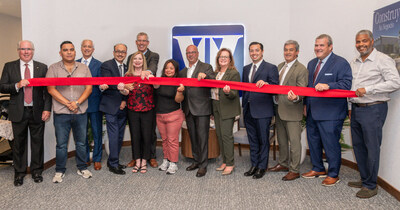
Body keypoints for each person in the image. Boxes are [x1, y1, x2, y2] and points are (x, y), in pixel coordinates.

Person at [348, 30, 400, 198]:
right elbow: (351, 87)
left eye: (364, 41)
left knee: (371, 147)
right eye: (358, 42)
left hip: (373, 108)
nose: (361, 44)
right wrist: (350, 106)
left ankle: (371, 185)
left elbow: (395, 82)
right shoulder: (354, 61)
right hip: (356, 109)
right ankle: (365, 179)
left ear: (371, 41)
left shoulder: (383, 59)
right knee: (358, 146)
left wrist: (368, 90)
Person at [302, 34, 352, 186]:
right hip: (312, 111)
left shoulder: (341, 63)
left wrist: (329, 85)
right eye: (316, 45)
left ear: (330, 46)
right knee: (313, 142)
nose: (318, 48)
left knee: (331, 144)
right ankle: (318, 168)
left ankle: (333, 173)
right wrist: (305, 104)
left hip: (331, 113)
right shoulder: (311, 64)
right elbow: (308, 88)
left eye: (321, 45)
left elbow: (346, 84)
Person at [0, 40, 51, 186]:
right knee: (18, 145)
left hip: (37, 112)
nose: (26, 51)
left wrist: (47, 109)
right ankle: (19, 173)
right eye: (23, 49)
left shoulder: (42, 67)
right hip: (18, 112)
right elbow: (2, 87)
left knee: (37, 143)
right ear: (18, 51)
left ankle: (36, 171)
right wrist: (17, 85)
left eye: (29, 49)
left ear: (33, 50)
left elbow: (47, 92)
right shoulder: (9, 66)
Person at [46, 41, 93, 183]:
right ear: (60, 52)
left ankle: (82, 167)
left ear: (75, 52)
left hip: (80, 112)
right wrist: (68, 103)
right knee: (61, 144)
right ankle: (59, 170)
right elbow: (51, 89)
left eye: (71, 49)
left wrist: (77, 103)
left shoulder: (84, 68)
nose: (69, 52)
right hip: (61, 113)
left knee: (81, 143)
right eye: (65, 50)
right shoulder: (53, 68)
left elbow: (89, 88)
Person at [267, 40, 308, 181]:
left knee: (294, 142)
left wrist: (296, 97)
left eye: (291, 50)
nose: (288, 52)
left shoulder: (301, 69)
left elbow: (302, 89)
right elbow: (275, 86)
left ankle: (294, 170)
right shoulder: (279, 66)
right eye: (286, 50)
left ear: (297, 52)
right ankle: (283, 164)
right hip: (279, 109)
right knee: (282, 141)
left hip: (292, 110)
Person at [242, 42, 279, 179]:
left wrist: (267, 85)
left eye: (256, 50)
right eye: (251, 51)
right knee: (252, 140)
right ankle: (254, 164)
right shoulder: (246, 69)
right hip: (248, 110)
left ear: (262, 51)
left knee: (263, 140)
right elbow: (244, 88)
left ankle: (262, 167)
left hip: (263, 111)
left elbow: (276, 87)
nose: (254, 53)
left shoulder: (271, 68)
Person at [179, 45, 215, 177]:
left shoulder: (206, 67)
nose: (190, 55)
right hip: (188, 109)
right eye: (188, 52)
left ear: (197, 53)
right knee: (193, 137)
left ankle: (203, 166)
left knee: (203, 138)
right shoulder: (183, 72)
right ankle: (196, 160)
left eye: (193, 52)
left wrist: (205, 76)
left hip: (202, 109)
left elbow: (214, 81)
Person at [126, 32, 160, 168]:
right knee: (135, 132)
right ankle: (137, 157)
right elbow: (127, 76)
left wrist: (146, 73)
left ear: (148, 42)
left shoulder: (154, 55)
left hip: (148, 99)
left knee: (149, 132)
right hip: (133, 101)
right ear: (136, 42)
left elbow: (153, 68)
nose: (141, 43)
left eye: (144, 41)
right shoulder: (131, 57)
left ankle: (151, 156)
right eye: (139, 41)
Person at [118, 51, 155, 174]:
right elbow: (126, 93)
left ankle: (144, 161)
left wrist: (152, 77)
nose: (137, 61)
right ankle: (137, 160)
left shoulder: (149, 74)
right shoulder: (128, 76)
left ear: (143, 61)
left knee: (146, 136)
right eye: (135, 59)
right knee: (135, 136)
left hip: (147, 110)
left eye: (140, 59)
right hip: (133, 110)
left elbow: (157, 87)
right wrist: (122, 88)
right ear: (131, 61)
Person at [99, 43, 128, 175]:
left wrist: (124, 101)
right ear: (113, 52)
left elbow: (130, 87)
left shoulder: (128, 67)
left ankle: (113, 161)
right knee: (114, 135)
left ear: (126, 53)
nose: (120, 54)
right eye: (118, 51)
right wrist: (120, 87)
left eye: (123, 52)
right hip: (110, 106)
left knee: (120, 136)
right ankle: (113, 164)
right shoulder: (107, 65)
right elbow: (108, 82)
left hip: (123, 106)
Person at [211, 48, 241, 176]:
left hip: (228, 108)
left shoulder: (234, 73)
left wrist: (229, 92)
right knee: (219, 135)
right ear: (218, 59)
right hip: (216, 107)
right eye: (220, 57)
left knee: (227, 136)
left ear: (230, 59)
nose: (223, 59)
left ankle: (230, 163)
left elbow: (235, 93)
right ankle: (224, 160)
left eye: (226, 57)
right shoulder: (215, 73)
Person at [153, 59, 185, 175]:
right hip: (160, 115)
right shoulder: (159, 81)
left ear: (175, 70)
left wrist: (180, 91)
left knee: (172, 140)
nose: (168, 70)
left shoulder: (179, 82)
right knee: (164, 140)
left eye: (171, 68)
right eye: (167, 68)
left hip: (174, 115)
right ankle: (166, 160)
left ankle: (173, 163)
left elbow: (178, 100)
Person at [76, 39, 103, 170]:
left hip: (94, 104)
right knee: (82, 133)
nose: (87, 49)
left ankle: (97, 158)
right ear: (81, 48)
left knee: (97, 132)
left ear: (93, 49)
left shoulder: (99, 65)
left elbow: (101, 86)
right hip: (78, 104)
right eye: (85, 46)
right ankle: (85, 158)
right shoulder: (74, 64)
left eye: (89, 47)